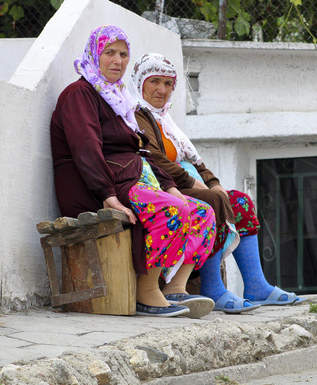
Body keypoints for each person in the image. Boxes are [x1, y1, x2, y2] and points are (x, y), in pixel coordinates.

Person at [50, 26, 217, 318]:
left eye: (123, 54)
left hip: (128, 180)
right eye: (109, 52)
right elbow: (86, 150)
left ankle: (175, 287)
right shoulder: (79, 94)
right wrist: (108, 196)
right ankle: (147, 290)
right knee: (173, 210)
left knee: (202, 212)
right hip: (95, 188)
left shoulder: (118, 99)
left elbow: (142, 153)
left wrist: (169, 185)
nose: (117, 60)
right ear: (94, 54)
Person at [131, 52, 300, 313]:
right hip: (162, 186)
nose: (161, 90)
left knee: (239, 201)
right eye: (154, 81)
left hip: (184, 183)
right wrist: (200, 186)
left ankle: (256, 285)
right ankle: (211, 285)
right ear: (140, 82)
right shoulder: (136, 115)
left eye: (167, 84)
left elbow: (195, 160)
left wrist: (213, 182)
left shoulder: (167, 121)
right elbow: (154, 159)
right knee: (213, 200)